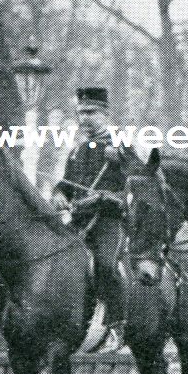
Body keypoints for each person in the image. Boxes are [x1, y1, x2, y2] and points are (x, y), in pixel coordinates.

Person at [56, 86, 129, 350]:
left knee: (105, 265)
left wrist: (103, 197)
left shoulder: (121, 147)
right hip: (78, 223)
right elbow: (65, 185)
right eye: (81, 113)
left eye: (91, 112)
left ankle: (117, 327)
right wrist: (58, 195)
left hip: (109, 222)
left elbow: (135, 189)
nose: (84, 118)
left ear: (105, 114)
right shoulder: (77, 151)